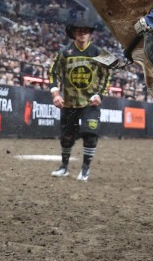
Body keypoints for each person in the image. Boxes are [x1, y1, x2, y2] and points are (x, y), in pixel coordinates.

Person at [48, 12, 113, 182]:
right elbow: (52, 73)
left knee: (90, 134)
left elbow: (108, 75)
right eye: (78, 31)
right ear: (73, 33)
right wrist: (56, 94)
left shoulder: (100, 52)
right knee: (67, 137)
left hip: (90, 103)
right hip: (69, 103)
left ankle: (85, 169)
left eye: (85, 31)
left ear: (90, 33)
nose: (82, 33)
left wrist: (100, 95)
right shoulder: (64, 52)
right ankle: (64, 167)